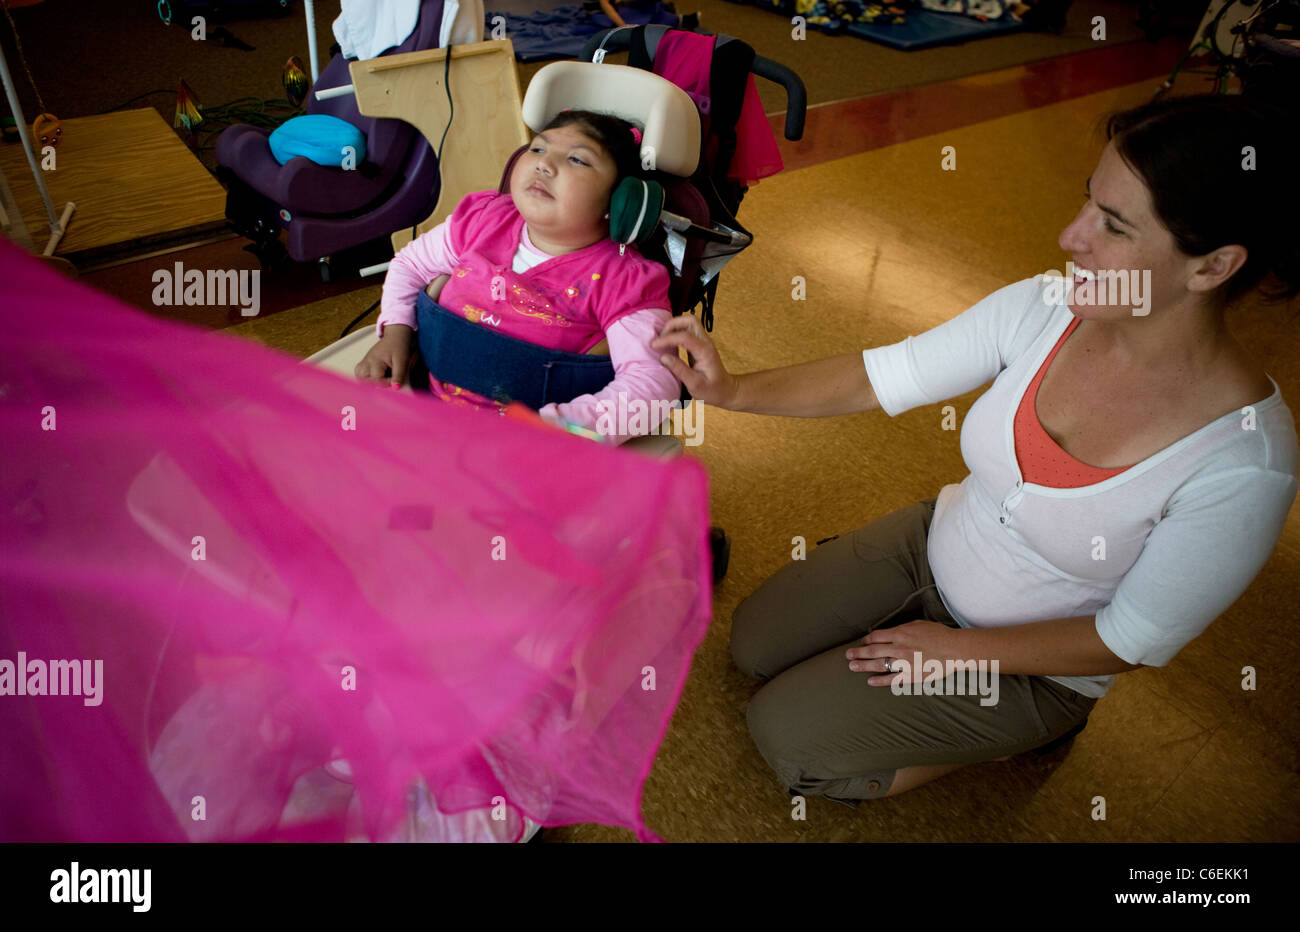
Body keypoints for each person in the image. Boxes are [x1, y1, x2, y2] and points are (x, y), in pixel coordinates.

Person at [649, 93, 1300, 804]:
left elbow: (1131, 638)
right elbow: (881, 376)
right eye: (1088, 202)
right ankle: (895, 637)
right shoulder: (1046, 306)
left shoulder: (1242, 465)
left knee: (788, 735)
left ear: (1211, 268)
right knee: (753, 643)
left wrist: (959, 652)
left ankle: (1031, 731)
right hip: (936, 545)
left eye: (1112, 226)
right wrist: (732, 390)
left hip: (1036, 664)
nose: (1069, 236)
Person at [356, 110, 679, 443]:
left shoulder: (625, 279)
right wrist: (395, 333)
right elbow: (409, 265)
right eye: (538, 149)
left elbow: (654, 383)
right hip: (423, 410)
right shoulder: (482, 220)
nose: (544, 164)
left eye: (577, 160)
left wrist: (563, 428)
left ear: (620, 201)